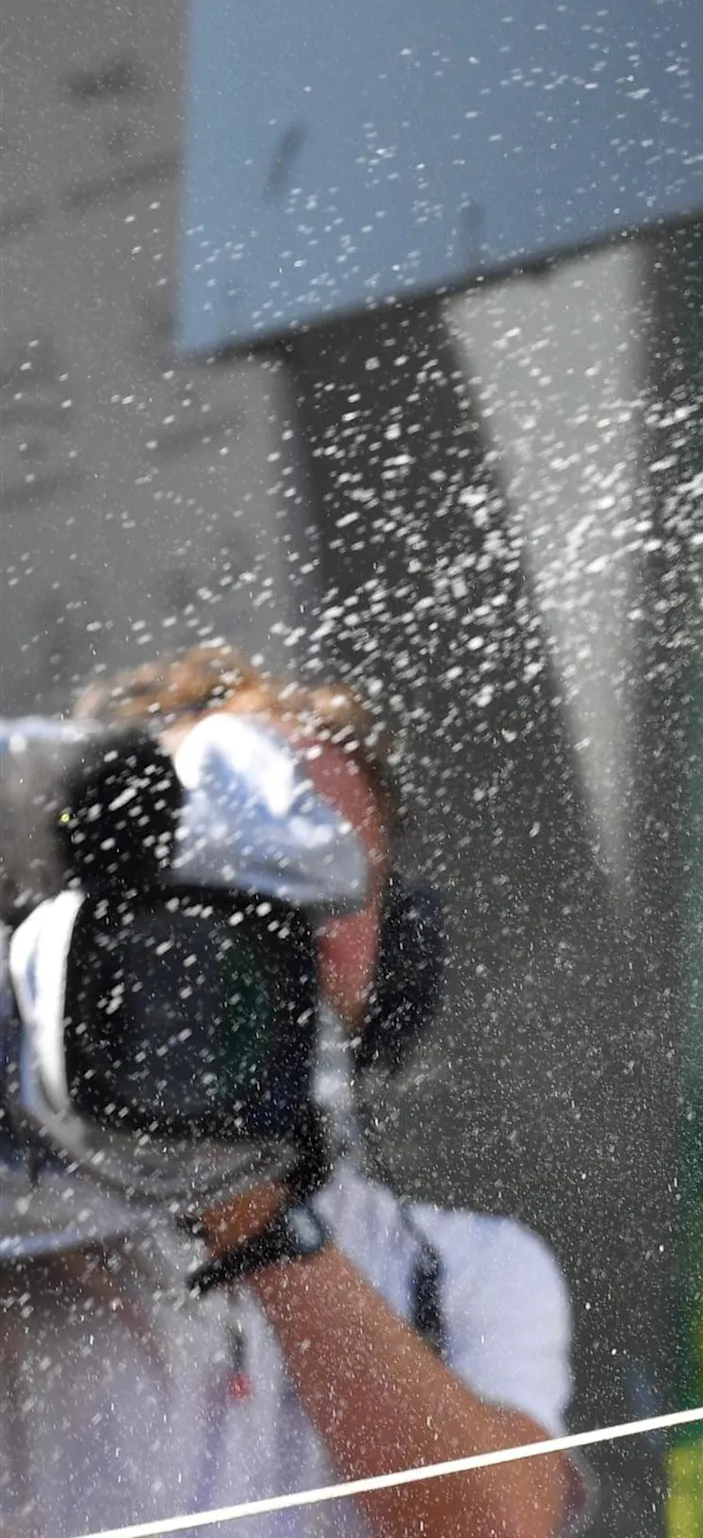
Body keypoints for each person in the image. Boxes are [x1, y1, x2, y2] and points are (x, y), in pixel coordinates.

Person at [0, 648, 579, 1538]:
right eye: (236, 880)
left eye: (339, 880)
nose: (290, 923)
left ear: (397, 944)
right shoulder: (25, 1233)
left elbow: (495, 1527)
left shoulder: (467, 1272)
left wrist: (249, 1203)